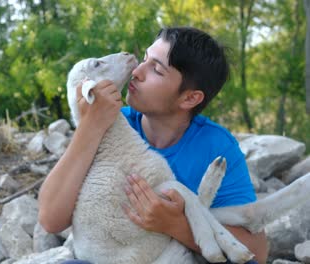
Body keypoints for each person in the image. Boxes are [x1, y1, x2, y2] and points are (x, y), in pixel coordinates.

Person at [38, 26, 268, 264]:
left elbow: (255, 254)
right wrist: (90, 126)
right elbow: (50, 220)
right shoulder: (109, 122)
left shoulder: (216, 147)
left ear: (190, 98)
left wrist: (175, 225)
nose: (137, 71)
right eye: (145, 59)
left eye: (156, 69)